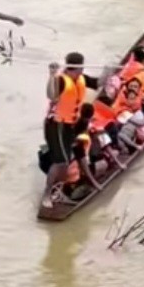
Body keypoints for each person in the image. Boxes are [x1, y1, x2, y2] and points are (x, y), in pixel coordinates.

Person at [43, 53, 101, 194]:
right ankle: (48, 193)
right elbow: (51, 95)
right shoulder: (61, 80)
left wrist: (109, 71)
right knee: (61, 162)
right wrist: (51, 75)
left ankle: (72, 183)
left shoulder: (81, 78)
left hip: (70, 124)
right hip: (56, 125)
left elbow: (98, 83)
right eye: (82, 66)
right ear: (78, 67)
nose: (83, 69)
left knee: (73, 154)